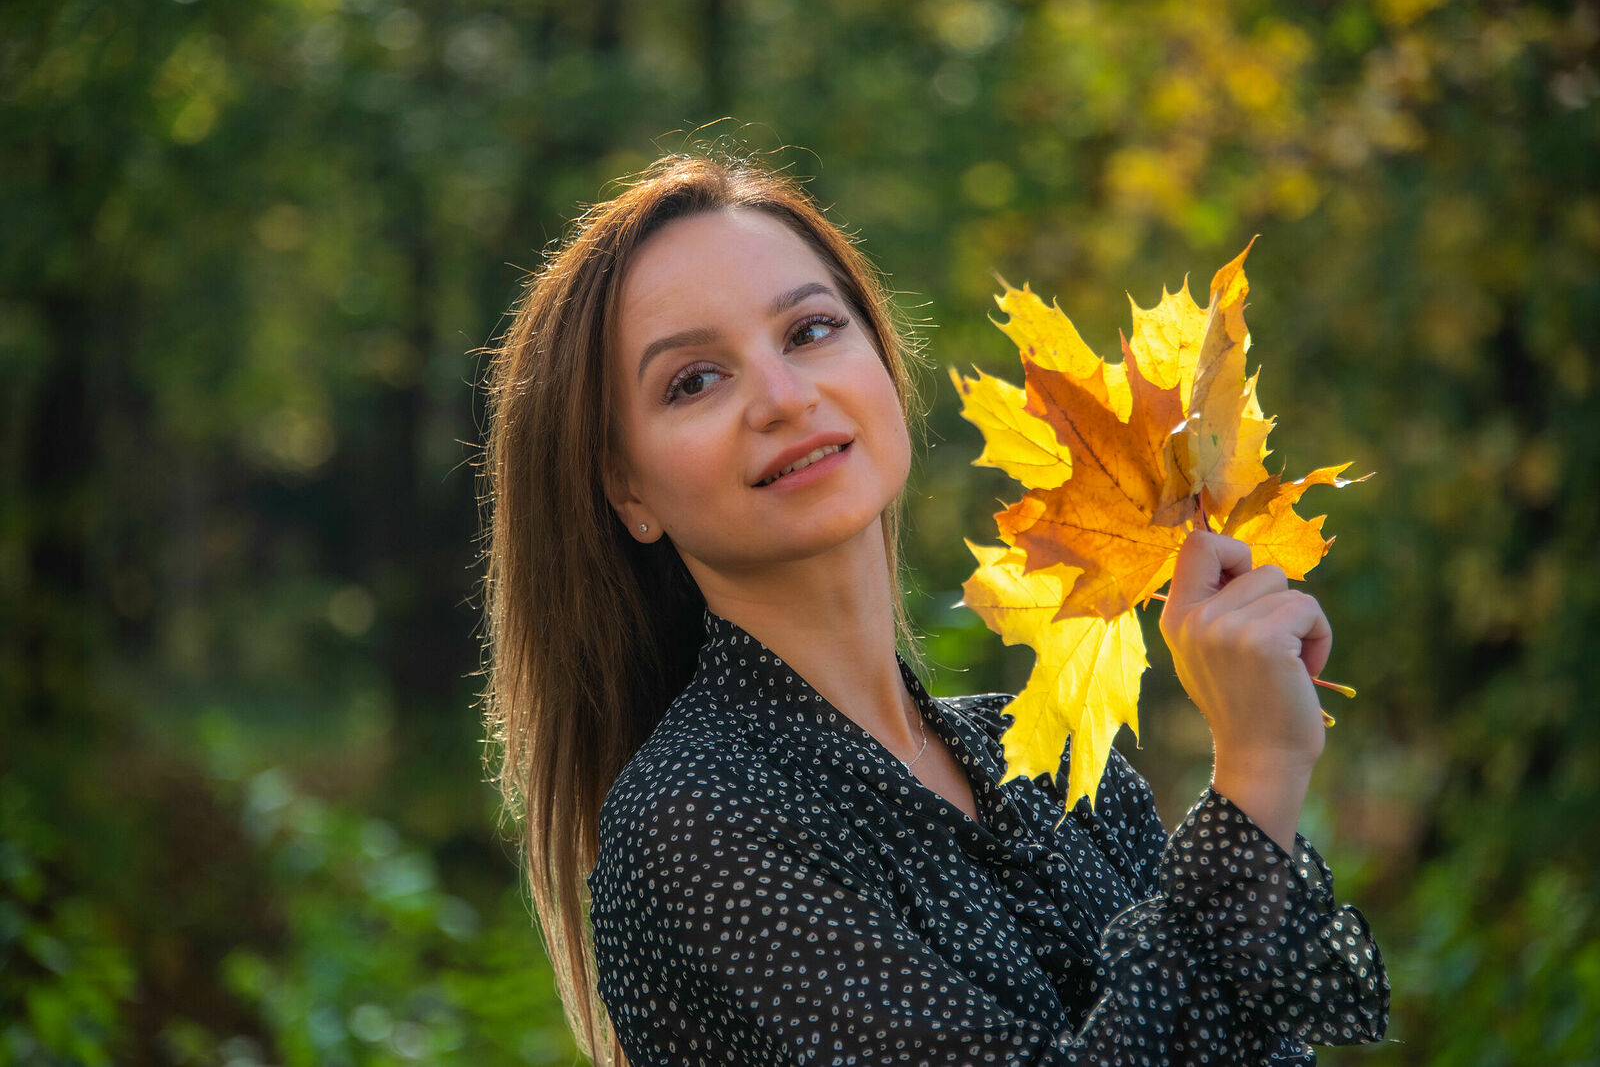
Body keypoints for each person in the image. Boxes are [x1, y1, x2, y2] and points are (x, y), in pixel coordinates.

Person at [480, 153, 1389, 1066]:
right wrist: (1260, 767)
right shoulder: (692, 822)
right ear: (627, 488)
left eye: (810, 330)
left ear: (882, 360)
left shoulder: (1055, 765)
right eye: (695, 381)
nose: (785, 398)